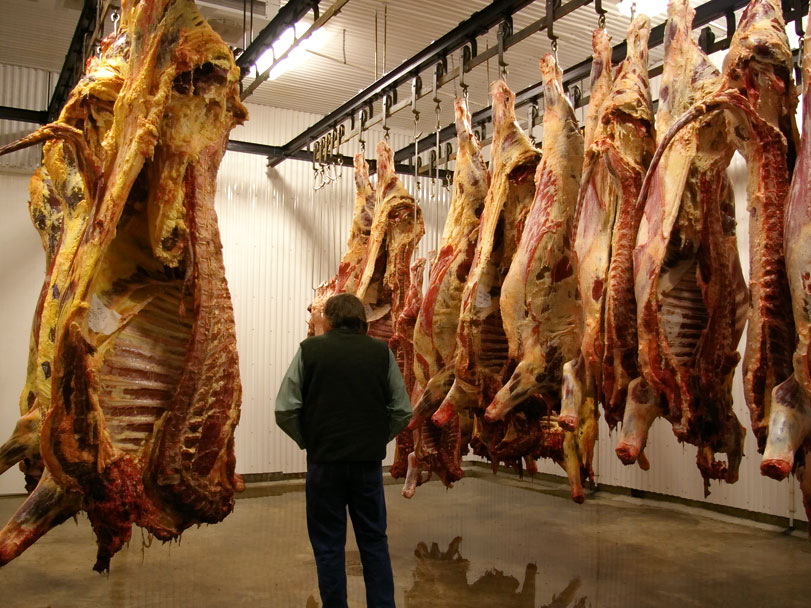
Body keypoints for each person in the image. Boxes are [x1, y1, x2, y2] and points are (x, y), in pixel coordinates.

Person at [275, 292, 412, 608]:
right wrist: (377, 438)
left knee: (329, 545)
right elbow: (402, 411)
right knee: (374, 543)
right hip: (366, 466)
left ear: (329, 322)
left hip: (324, 465)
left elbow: (285, 409)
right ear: (364, 324)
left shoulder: (310, 350)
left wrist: (308, 439)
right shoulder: (381, 353)